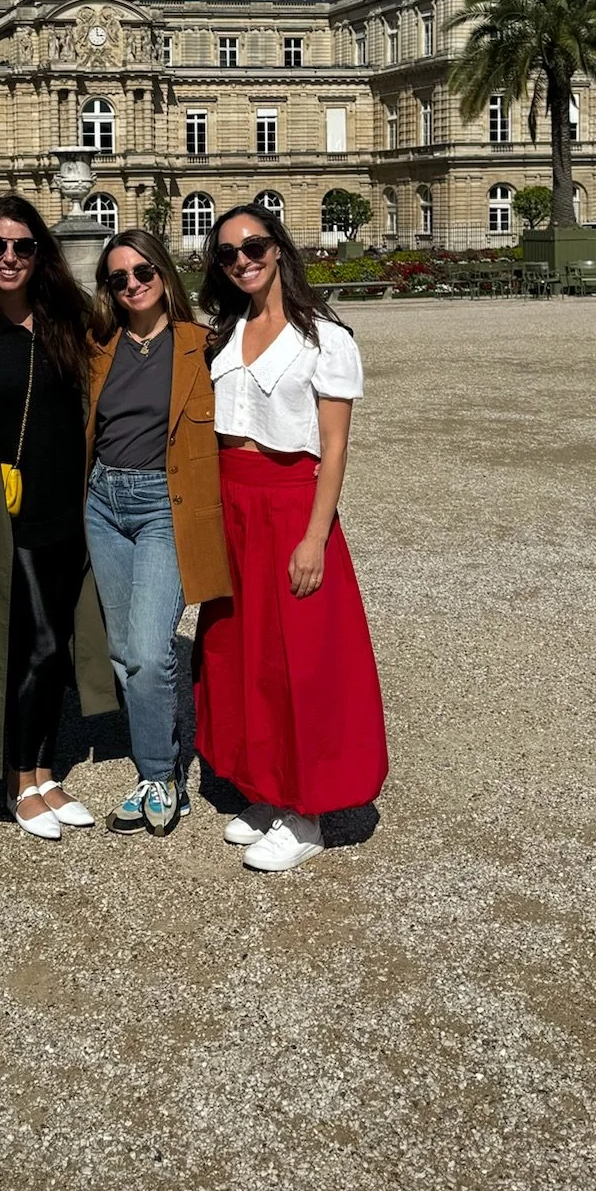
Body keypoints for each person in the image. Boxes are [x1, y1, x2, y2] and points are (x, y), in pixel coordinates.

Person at [194, 204, 388, 874]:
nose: (242, 259)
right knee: (240, 653)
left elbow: (333, 450)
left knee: (297, 660)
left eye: (253, 245)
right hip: (232, 500)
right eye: (227, 253)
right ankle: (263, 789)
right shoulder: (224, 333)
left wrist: (314, 537)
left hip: (289, 503)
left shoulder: (324, 338)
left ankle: (306, 812)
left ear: (278, 248)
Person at [0, 196, 113, 840]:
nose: (9, 257)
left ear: (41, 254)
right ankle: (14, 778)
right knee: (30, 644)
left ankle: (43, 769)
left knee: (56, 645)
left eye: (22, 246)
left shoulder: (70, 319)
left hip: (67, 507)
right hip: (3, 513)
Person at [84, 229, 231, 836]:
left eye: (142, 271)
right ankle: (156, 766)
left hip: (164, 506)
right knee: (123, 652)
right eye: (118, 279)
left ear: (164, 273)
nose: (133, 285)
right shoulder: (98, 348)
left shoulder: (206, 346)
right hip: (101, 502)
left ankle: (159, 772)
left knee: (149, 650)